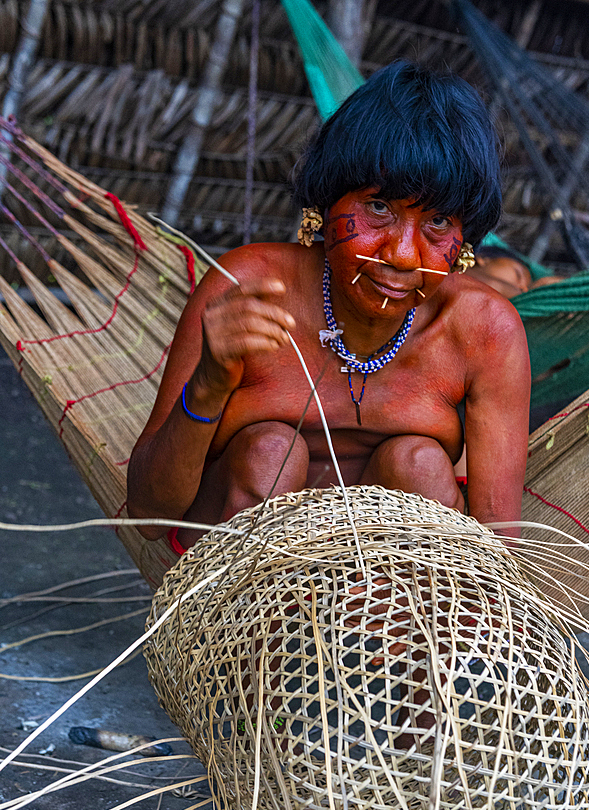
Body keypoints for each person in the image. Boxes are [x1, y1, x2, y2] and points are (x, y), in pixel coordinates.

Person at [127, 62, 531, 550]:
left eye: (439, 222)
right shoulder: (248, 290)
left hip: (396, 592)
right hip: (235, 579)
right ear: (325, 204)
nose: (403, 254)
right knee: (271, 453)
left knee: (419, 464)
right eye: (378, 207)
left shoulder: (483, 329)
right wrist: (210, 385)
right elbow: (149, 514)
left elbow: (497, 542)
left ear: (467, 243)